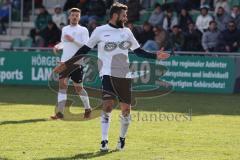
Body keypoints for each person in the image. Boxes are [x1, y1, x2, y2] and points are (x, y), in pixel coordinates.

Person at [53, 2, 170, 151]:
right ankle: (104, 141)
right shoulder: (100, 31)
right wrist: (68, 64)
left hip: (124, 74)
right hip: (107, 72)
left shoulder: (127, 32)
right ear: (115, 15)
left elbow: (138, 51)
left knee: (126, 110)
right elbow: (84, 49)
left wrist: (155, 56)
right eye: (124, 15)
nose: (126, 17)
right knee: (107, 106)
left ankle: (121, 139)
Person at [50, 8, 92, 120]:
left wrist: (73, 39)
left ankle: (88, 108)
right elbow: (64, 43)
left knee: (79, 89)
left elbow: (85, 47)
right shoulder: (65, 29)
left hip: (77, 62)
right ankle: (59, 112)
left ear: (79, 17)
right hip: (64, 62)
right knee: (62, 87)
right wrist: (57, 46)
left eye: (77, 15)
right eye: (73, 15)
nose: (74, 17)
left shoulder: (83, 30)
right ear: (69, 17)